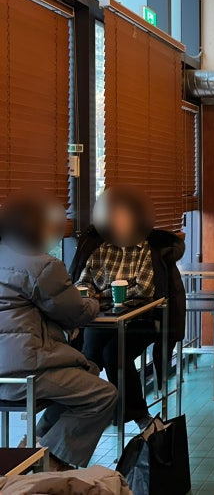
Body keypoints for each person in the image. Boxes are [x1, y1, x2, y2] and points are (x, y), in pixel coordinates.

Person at [0, 191, 118, 470]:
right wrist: (93, 302)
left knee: (85, 374)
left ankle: (36, 443)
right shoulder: (42, 265)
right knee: (103, 395)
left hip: (8, 370)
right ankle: (50, 459)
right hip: (25, 371)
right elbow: (74, 311)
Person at [70, 187, 186, 430]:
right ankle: (86, 411)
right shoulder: (101, 249)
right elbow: (83, 281)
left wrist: (103, 294)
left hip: (140, 321)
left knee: (114, 353)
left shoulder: (146, 250)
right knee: (89, 354)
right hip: (103, 320)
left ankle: (135, 414)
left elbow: (144, 289)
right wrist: (95, 294)